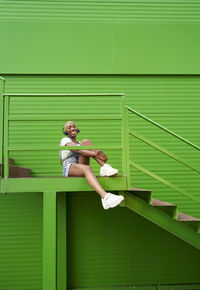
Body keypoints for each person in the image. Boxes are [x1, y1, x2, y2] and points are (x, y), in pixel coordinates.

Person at [60, 121, 124, 210]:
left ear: (77, 129)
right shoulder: (65, 140)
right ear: (66, 132)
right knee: (87, 168)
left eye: (74, 126)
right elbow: (76, 150)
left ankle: (104, 167)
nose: (72, 128)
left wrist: (98, 153)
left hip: (80, 165)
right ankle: (105, 197)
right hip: (70, 167)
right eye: (69, 127)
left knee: (86, 141)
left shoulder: (80, 143)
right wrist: (94, 153)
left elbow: (82, 151)